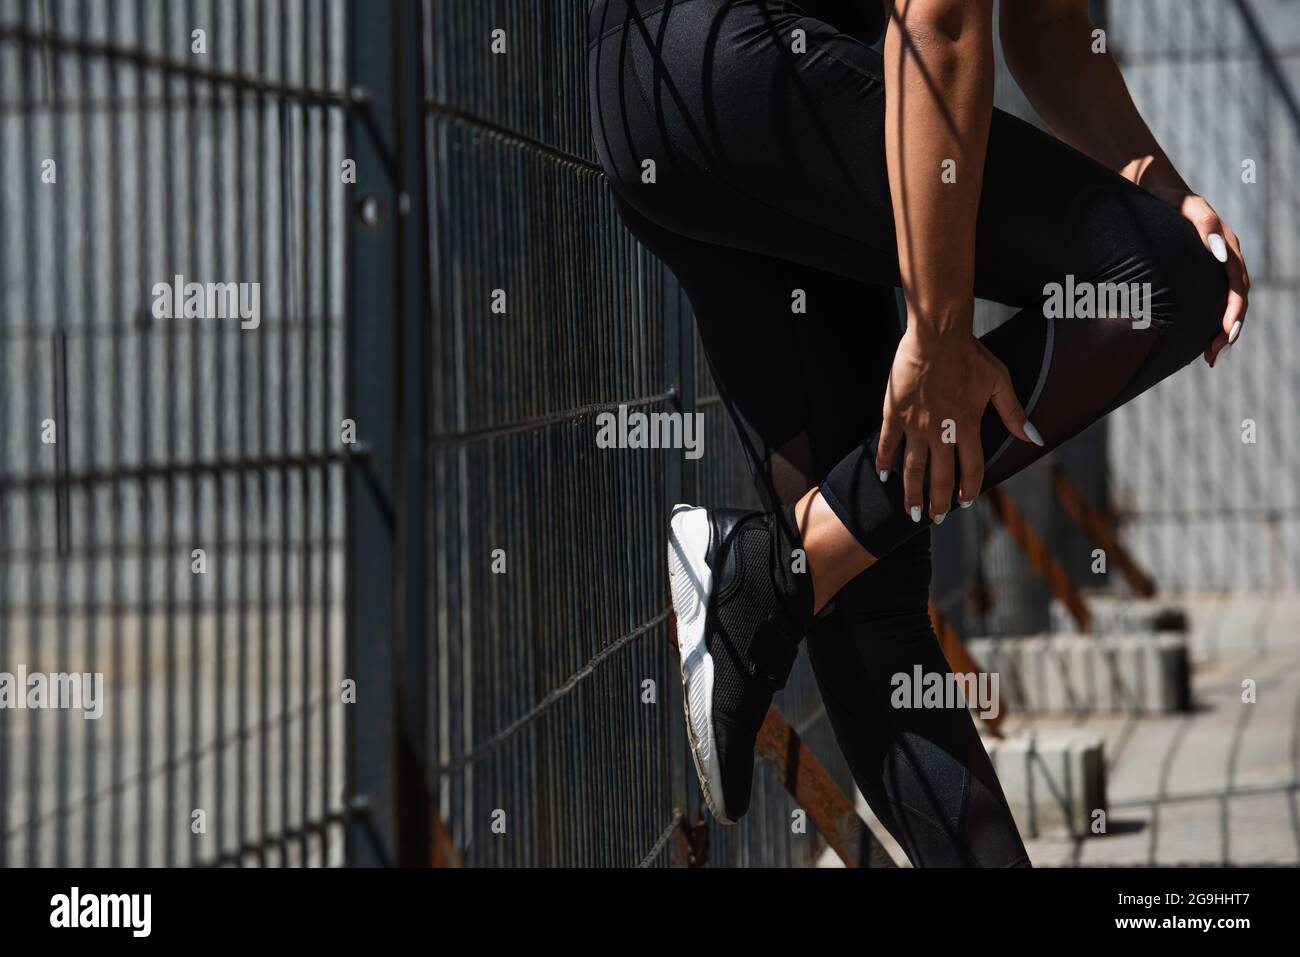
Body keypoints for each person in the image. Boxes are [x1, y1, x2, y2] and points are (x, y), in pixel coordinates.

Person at [587, 0, 1248, 866]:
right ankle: (773, 573)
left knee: (867, 602)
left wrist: (1155, 178)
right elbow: (942, 19)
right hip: (744, 70)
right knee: (1161, 279)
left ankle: (786, 569)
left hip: (659, 96)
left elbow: (1047, 25)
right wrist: (939, 334)